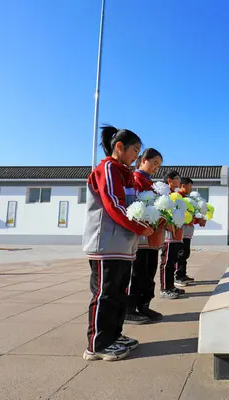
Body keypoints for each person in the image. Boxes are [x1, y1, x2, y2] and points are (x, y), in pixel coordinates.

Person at [82, 125, 154, 362]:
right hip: (106, 244)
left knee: (120, 293)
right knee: (106, 293)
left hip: (123, 246)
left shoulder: (124, 172)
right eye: (135, 150)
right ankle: (97, 344)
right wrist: (139, 227)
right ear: (119, 147)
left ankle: (114, 335)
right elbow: (114, 204)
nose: (136, 156)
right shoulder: (108, 168)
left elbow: (135, 205)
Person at [125, 148, 165, 325]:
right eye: (154, 163)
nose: (156, 167)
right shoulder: (135, 180)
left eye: (159, 165)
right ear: (143, 160)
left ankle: (144, 305)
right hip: (141, 235)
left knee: (150, 272)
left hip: (153, 235)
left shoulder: (152, 184)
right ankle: (130, 309)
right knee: (138, 273)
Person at [159, 170, 185, 299]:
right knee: (167, 262)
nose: (179, 181)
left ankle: (171, 286)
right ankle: (164, 288)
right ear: (169, 180)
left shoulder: (175, 195)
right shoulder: (164, 195)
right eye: (177, 178)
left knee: (173, 261)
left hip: (176, 234)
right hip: (167, 236)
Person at [175, 177, 196, 287]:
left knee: (185, 252)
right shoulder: (177, 198)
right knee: (181, 253)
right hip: (180, 231)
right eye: (190, 186)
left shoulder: (187, 199)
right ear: (183, 185)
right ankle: (178, 276)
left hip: (187, 231)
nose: (191, 189)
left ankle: (183, 274)